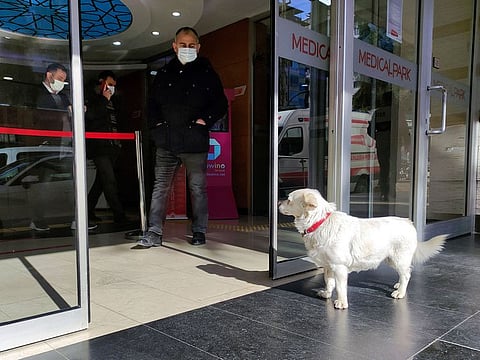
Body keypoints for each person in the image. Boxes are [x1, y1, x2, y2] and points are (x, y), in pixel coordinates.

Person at [135, 27, 228, 248]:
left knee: (197, 188)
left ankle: (199, 230)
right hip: (166, 141)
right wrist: (156, 127)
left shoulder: (207, 73)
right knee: (160, 187)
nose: (187, 49)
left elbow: (220, 103)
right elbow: (152, 105)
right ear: (174, 46)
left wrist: (204, 119)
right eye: (182, 45)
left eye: (191, 45)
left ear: (198, 47)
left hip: (194, 141)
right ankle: (154, 232)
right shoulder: (164, 73)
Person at [85, 70, 127, 225]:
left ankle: (87, 210)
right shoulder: (91, 98)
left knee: (101, 181)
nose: (111, 88)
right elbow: (90, 117)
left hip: (113, 145)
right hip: (99, 146)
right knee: (109, 180)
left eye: (114, 86)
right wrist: (104, 99)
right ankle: (119, 214)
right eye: (109, 84)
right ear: (101, 82)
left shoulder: (114, 100)